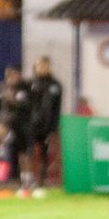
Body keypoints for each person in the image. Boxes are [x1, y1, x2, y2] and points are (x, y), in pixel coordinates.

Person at [26, 56, 63, 187]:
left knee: (44, 153)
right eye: (40, 66)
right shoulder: (29, 84)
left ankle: (41, 181)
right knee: (28, 152)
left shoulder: (56, 85)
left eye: (45, 65)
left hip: (47, 125)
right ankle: (27, 179)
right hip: (31, 125)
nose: (42, 68)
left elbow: (57, 108)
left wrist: (54, 126)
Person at [0, 65, 31, 183]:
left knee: (23, 154)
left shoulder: (27, 87)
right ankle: (2, 160)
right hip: (6, 123)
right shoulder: (0, 88)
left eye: (14, 75)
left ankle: (27, 180)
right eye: (9, 75)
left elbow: (29, 106)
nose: (11, 78)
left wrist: (14, 100)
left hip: (22, 125)